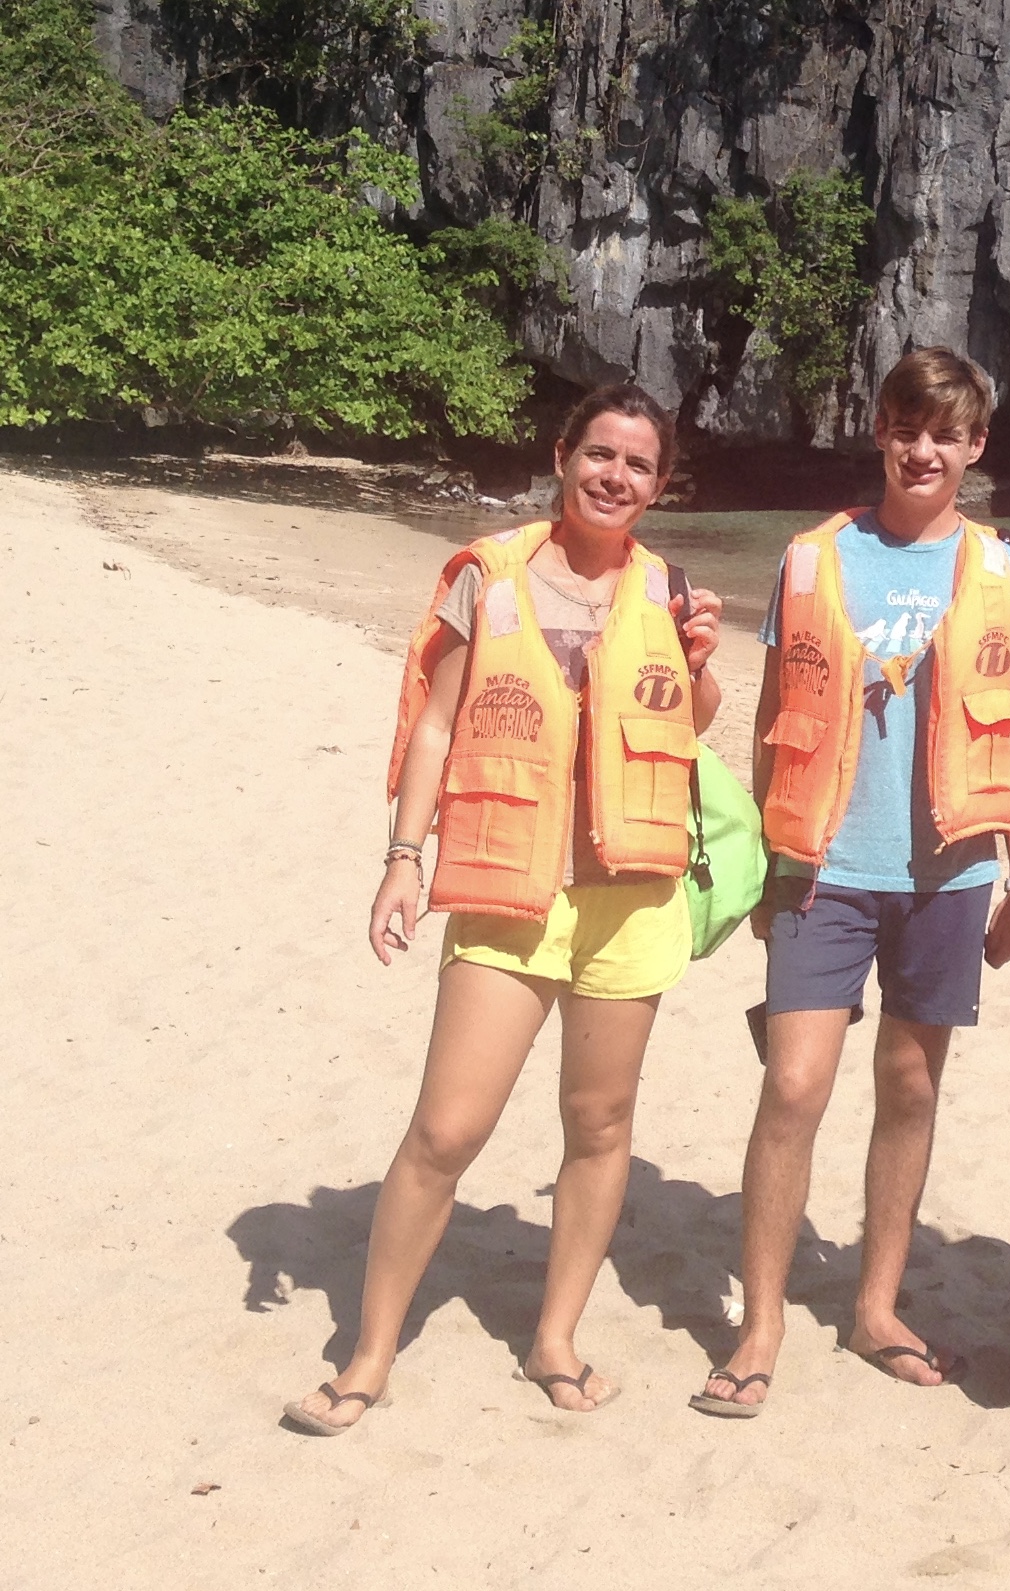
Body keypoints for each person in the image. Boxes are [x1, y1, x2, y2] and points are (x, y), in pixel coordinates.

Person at [282, 385, 725, 1435]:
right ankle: (369, 1354)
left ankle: (554, 1337)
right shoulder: (490, 574)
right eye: (600, 454)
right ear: (563, 454)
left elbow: (690, 724)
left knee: (599, 1124)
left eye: (639, 465)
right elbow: (435, 725)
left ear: (660, 486)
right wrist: (403, 857)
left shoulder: (668, 591)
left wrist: (701, 665)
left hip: (629, 897)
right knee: (445, 1130)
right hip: (508, 885)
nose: (615, 477)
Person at [691, 348, 1010, 1417]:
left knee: (909, 1086)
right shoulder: (814, 558)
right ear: (881, 434)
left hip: (949, 870)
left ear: (975, 446)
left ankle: (876, 1306)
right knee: (794, 1084)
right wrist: (768, 863)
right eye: (906, 429)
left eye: (945, 434)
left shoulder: (1006, 574)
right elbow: (774, 714)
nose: (922, 451)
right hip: (824, 864)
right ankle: (760, 1325)